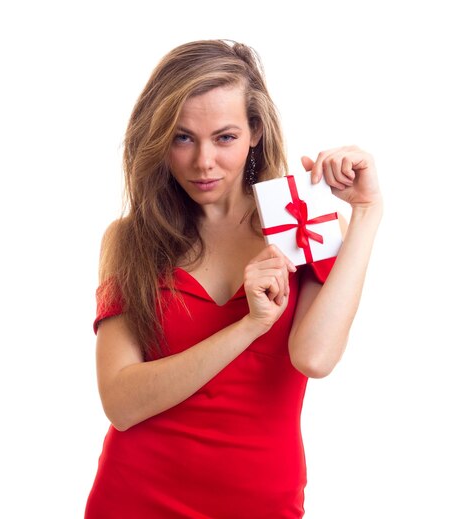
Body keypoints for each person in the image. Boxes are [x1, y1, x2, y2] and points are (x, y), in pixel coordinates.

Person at [84, 39, 382, 518]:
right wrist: (249, 325)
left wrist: (366, 213)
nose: (204, 162)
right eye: (183, 137)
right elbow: (120, 402)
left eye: (224, 137)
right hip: (135, 496)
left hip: (260, 501)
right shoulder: (130, 240)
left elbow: (314, 358)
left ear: (255, 132)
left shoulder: (305, 224)